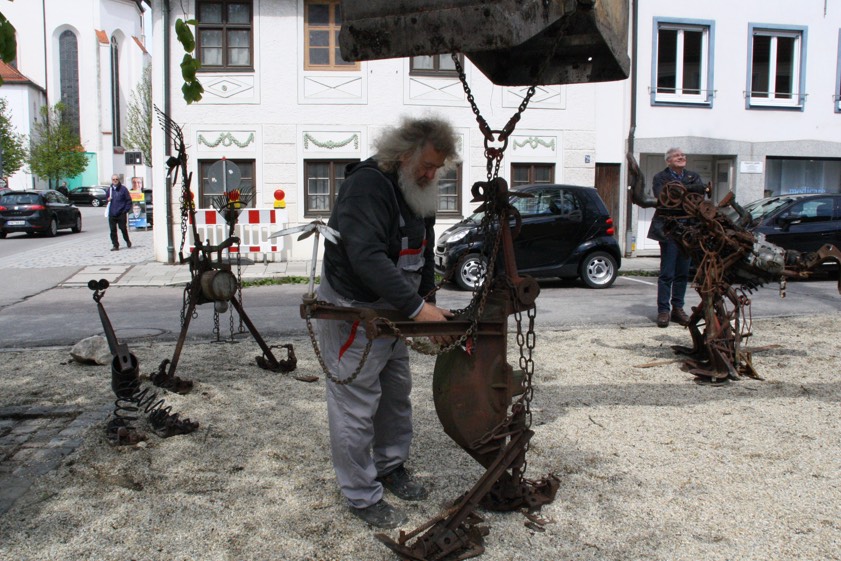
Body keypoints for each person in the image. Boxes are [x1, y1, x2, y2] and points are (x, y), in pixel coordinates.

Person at [317, 116, 459, 529]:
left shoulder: (416, 190)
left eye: (437, 168)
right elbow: (366, 257)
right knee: (355, 403)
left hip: (396, 309)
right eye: (427, 166)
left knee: (396, 394)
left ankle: (390, 465)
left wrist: (428, 303)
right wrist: (416, 309)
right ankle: (361, 495)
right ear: (404, 155)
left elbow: (423, 250)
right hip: (355, 308)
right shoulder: (367, 186)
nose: (431, 175)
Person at [647, 147, 708, 328]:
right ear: (668, 160)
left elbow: (699, 195)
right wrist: (687, 192)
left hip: (689, 231)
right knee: (667, 273)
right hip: (669, 231)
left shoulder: (693, 176)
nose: (681, 157)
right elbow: (663, 197)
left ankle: (678, 309)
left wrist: (681, 191)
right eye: (677, 156)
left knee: (682, 273)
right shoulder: (660, 177)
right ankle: (663, 311)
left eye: (683, 155)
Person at [106, 175, 132, 251]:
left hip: (121, 213)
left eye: (116, 179)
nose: (115, 180)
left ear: (119, 180)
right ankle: (115, 245)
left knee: (123, 228)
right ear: (111, 180)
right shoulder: (110, 189)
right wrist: (108, 199)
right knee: (113, 230)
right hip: (112, 213)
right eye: (113, 179)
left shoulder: (123, 189)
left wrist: (125, 210)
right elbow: (106, 199)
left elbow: (129, 201)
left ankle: (127, 240)